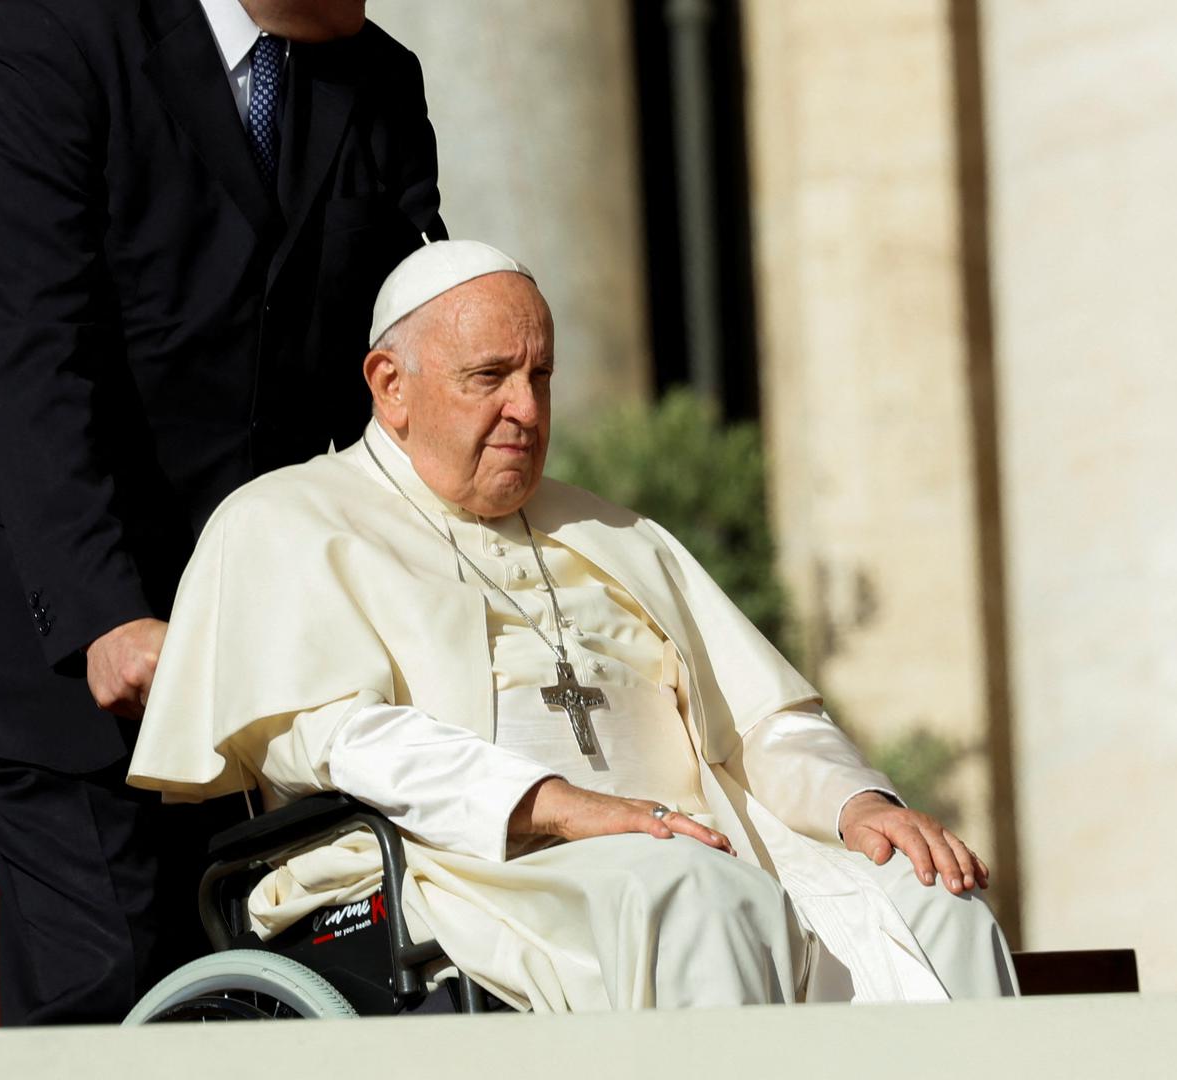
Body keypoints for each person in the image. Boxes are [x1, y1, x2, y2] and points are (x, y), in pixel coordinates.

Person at [126, 241, 1019, 1010]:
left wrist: (858, 803)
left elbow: (763, 720)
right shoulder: (288, 521)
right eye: (489, 378)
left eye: (540, 374)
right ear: (390, 385)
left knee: (934, 897)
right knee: (691, 895)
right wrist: (569, 813)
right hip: (461, 869)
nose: (526, 407)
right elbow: (341, 740)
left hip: (699, 846)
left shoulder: (613, 532)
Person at [0, 0, 444, 1025]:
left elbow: (406, 347)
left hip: (245, 635)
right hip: (46, 614)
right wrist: (101, 612)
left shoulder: (376, 79)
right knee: (120, 981)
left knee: (263, 982)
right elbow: (23, 359)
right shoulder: (44, 45)